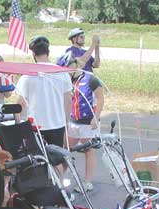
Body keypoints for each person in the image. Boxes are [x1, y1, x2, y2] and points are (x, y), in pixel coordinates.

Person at [57, 52, 104, 192]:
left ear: (73, 66)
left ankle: (87, 182)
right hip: (73, 121)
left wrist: (95, 117)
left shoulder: (90, 79)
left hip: (88, 122)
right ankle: (58, 179)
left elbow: (100, 98)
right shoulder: (66, 82)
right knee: (65, 150)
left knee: (88, 149)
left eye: (66, 69)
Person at [16, 35, 73, 148]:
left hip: (35, 125)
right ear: (48, 52)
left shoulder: (27, 75)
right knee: (57, 159)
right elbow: (68, 101)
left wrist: (19, 123)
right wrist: (66, 122)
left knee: (37, 160)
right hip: (57, 124)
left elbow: (20, 104)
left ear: (33, 54)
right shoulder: (62, 73)